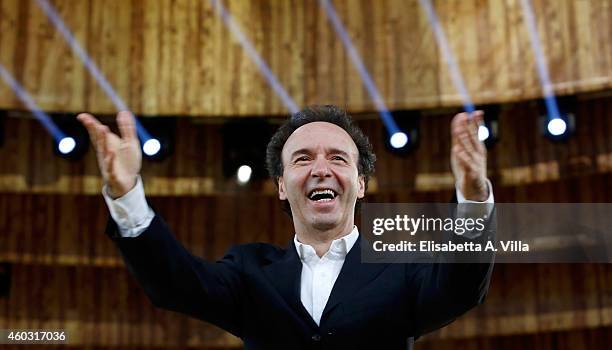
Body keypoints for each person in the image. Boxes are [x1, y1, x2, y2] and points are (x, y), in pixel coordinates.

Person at [77, 105, 494, 349]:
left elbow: (461, 288)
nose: (320, 170)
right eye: (302, 159)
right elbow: (174, 284)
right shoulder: (249, 270)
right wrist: (127, 192)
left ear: (361, 184)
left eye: (337, 158)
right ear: (281, 186)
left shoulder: (401, 270)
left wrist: (473, 196)